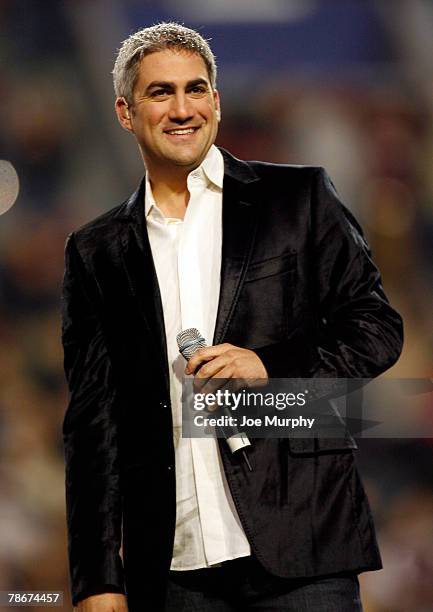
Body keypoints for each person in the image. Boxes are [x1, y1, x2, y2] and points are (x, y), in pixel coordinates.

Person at [61, 22, 403, 612]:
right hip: (172, 570)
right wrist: (97, 579)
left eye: (196, 89)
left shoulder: (297, 199)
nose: (182, 108)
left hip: (304, 551)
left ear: (216, 102)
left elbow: (375, 327)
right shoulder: (96, 252)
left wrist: (269, 367)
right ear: (124, 111)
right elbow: (93, 428)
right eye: (160, 92)